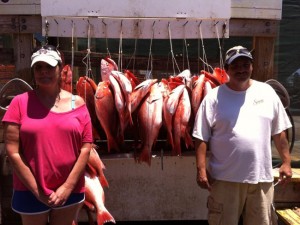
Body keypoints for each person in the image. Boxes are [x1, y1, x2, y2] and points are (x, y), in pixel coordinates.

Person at [192, 45, 292, 225]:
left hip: (261, 178)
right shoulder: (214, 97)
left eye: (245, 64)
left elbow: (279, 132)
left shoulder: (267, 92)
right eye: (235, 66)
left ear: (252, 67)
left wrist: (286, 161)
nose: (241, 70)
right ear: (226, 70)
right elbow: (200, 136)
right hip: (224, 178)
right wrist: (201, 169)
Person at [2, 45, 93, 225]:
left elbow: (86, 147)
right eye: (38, 67)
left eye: (49, 67)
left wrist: (68, 186)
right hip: (29, 190)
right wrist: (38, 191)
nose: (44, 72)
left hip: (69, 191)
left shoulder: (78, 103)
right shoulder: (19, 103)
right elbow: (13, 152)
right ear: (33, 71)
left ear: (61, 68)